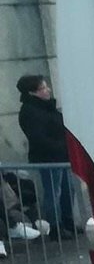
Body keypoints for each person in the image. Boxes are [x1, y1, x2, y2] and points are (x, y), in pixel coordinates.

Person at [16, 75, 74, 235]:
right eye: (42, 88)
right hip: (48, 157)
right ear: (32, 92)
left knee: (68, 189)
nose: (47, 90)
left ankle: (68, 221)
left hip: (62, 156)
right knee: (53, 192)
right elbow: (39, 138)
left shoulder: (47, 107)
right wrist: (61, 147)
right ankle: (56, 226)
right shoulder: (30, 112)